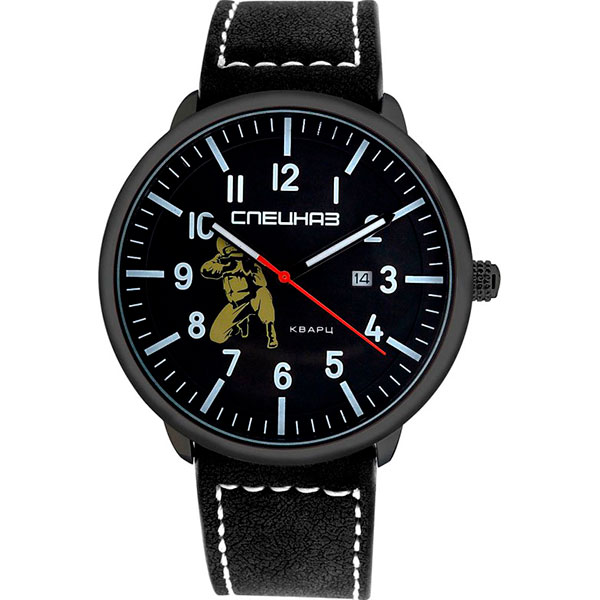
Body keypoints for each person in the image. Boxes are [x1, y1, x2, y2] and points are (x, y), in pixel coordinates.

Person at [201, 237, 278, 349]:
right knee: (216, 336)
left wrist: (248, 271)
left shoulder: (249, 260)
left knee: (263, 293)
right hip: (235, 305)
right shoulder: (221, 259)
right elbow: (206, 270)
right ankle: (238, 327)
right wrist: (226, 268)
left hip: (252, 299)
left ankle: (270, 331)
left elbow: (262, 282)